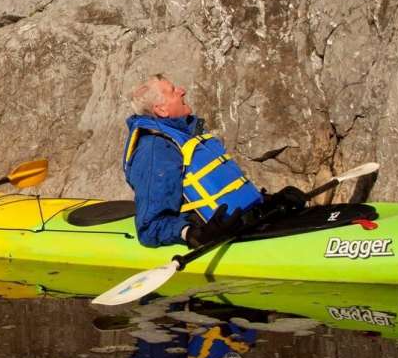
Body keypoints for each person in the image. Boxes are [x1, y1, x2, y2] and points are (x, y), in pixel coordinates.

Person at [123, 74, 304, 248]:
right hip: (220, 233)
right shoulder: (155, 149)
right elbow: (151, 225)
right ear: (161, 110)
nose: (182, 90)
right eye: (173, 91)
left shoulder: (186, 134)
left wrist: (268, 201)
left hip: (248, 221)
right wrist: (193, 234)